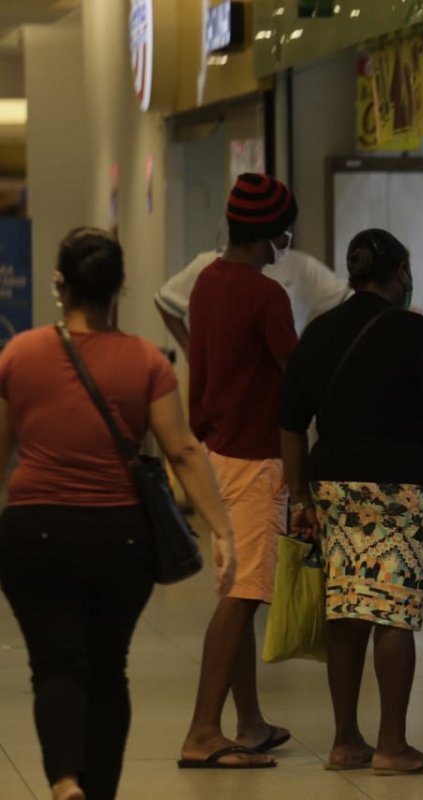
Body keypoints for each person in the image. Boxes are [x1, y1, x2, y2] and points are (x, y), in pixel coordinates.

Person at [0, 229, 237, 800]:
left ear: (61, 284)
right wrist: (223, 529)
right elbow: (181, 448)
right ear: (120, 287)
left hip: (35, 532)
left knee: (55, 666)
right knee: (109, 669)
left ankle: (62, 782)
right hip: (119, 538)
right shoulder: (145, 360)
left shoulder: (20, 354)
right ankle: (98, 792)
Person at [280, 228, 423, 776]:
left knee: (348, 613)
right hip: (405, 490)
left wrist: (299, 495)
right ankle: (392, 745)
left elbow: (291, 426)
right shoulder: (416, 333)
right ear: (399, 273)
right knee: (394, 614)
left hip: (336, 490)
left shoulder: (320, 333)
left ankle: (346, 741)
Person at [179, 174, 299, 770]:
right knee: (242, 594)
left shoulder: (207, 281)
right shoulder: (264, 294)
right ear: (274, 234)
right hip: (256, 456)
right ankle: (203, 731)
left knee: (240, 590)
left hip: (218, 451)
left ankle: (249, 724)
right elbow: (294, 376)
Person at [155, 247, 351, 353]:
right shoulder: (209, 269)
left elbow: (348, 299)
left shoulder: (299, 266)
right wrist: (192, 353)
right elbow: (166, 301)